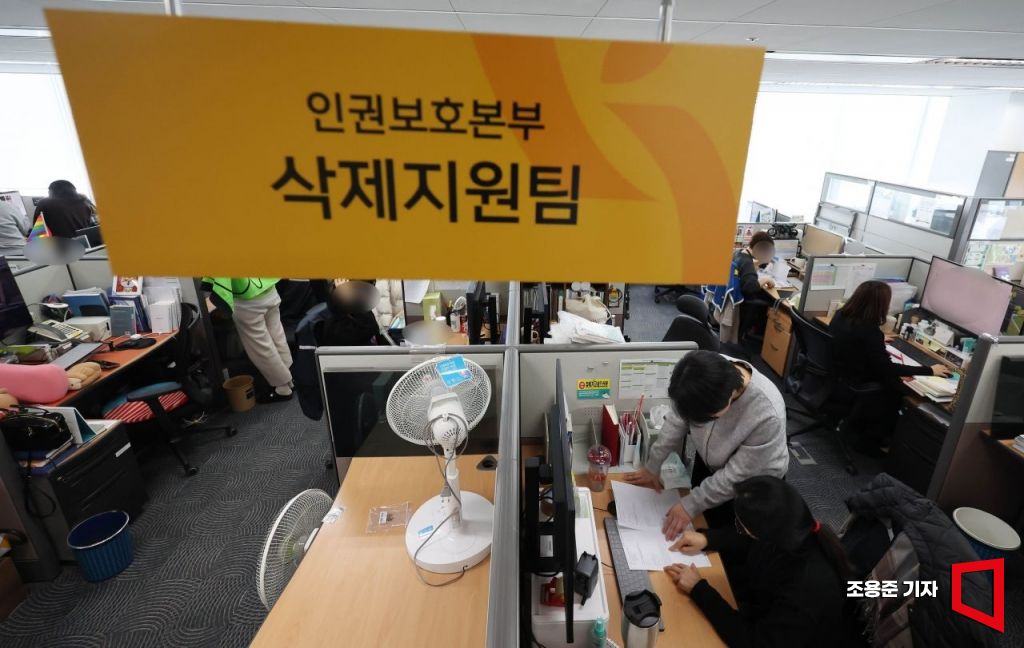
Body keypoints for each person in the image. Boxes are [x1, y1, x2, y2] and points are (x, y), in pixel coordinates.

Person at [664, 476, 854, 648]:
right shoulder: (791, 531)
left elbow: (753, 642)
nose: (739, 529)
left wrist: (699, 589)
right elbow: (748, 540)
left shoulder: (805, 591)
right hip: (765, 614)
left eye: (741, 525)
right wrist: (708, 539)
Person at [625, 350, 788, 538]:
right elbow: (676, 420)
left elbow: (736, 475)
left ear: (726, 401)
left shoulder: (766, 415)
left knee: (726, 540)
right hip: (712, 459)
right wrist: (653, 465)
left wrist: (691, 504)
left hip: (754, 484)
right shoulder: (700, 373)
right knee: (699, 526)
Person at [829, 280, 951, 453]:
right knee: (898, 390)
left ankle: (865, 429)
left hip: (841, 374)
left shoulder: (841, 315)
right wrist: (930, 370)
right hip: (857, 381)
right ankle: (871, 442)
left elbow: (855, 340)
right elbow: (887, 368)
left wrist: (877, 341)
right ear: (880, 305)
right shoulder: (870, 332)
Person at [203, 277, 294, 404]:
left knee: (261, 348)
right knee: (277, 337)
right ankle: (290, 380)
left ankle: (282, 388)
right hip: (269, 288)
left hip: (247, 299)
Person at [734, 231, 777, 338]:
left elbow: (745, 270)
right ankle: (758, 333)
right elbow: (751, 287)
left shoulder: (739, 253)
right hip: (744, 301)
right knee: (774, 302)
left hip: (736, 298)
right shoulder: (747, 263)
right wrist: (766, 279)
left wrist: (756, 264)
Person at [32, 180, 98, 239]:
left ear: (51, 191)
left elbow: (38, 232)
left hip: (60, 245)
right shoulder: (84, 201)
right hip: (86, 242)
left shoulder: (45, 203)